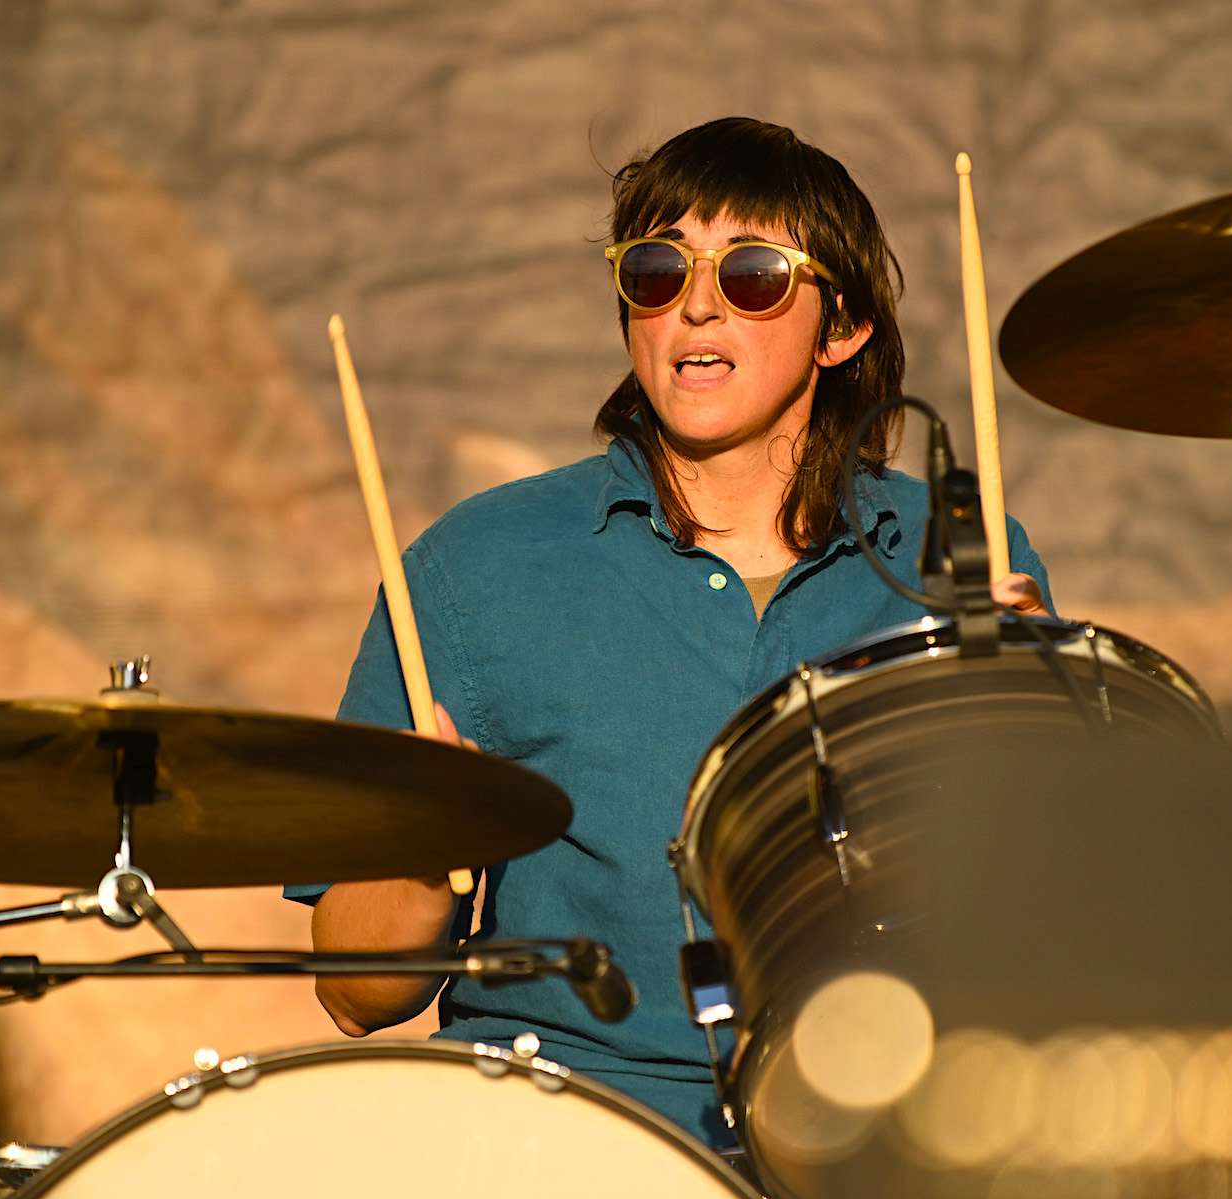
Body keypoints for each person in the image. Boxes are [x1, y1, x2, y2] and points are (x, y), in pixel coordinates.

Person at [287, 116, 1051, 1147]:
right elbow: (352, 992)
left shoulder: (961, 565)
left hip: (880, 1138)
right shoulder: (475, 565)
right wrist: (425, 863)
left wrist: (1039, 734)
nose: (695, 303)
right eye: (656, 271)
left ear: (841, 327)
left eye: (752, 275)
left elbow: (1054, 925)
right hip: (564, 1141)